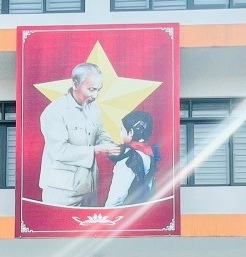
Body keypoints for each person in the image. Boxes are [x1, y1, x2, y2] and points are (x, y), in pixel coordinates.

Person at [37, 61, 120, 208]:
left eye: (98, 90)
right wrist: (96, 150)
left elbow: (99, 133)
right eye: (91, 89)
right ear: (75, 84)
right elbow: (59, 151)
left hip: (89, 188)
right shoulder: (55, 111)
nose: (95, 95)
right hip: (62, 192)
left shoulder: (93, 107)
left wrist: (110, 145)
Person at [105, 109, 158, 208]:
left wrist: (107, 213)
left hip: (125, 212)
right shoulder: (148, 154)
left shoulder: (127, 159)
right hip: (142, 209)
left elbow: (116, 197)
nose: (121, 133)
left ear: (131, 132)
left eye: (122, 130)